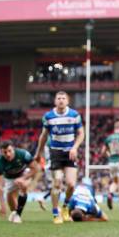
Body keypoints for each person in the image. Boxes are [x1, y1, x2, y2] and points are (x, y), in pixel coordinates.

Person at [34, 91, 84, 224]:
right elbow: (44, 136)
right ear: (55, 101)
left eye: (63, 98)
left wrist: (75, 147)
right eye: (58, 98)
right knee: (57, 182)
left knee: (71, 184)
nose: (61, 100)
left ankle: (65, 207)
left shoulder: (74, 115)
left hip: (70, 152)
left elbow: (81, 134)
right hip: (55, 152)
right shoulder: (48, 116)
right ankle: (56, 214)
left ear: (67, 101)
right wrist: (38, 153)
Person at [0, 142, 41, 224]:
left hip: (24, 173)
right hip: (9, 179)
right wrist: (2, 206)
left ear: (13, 149)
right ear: (2, 153)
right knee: (11, 201)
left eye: (9, 151)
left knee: (23, 184)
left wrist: (23, 178)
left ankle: (18, 215)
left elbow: (36, 168)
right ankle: (15, 212)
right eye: (5, 152)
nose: (8, 154)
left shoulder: (23, 154)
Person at [101, 120, 119, 212]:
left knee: (115, 181)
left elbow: (102, 151)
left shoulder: (109, 138)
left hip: (111, 162)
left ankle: (110, 194)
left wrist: (109, 155)